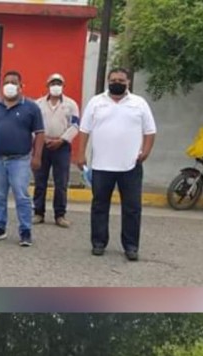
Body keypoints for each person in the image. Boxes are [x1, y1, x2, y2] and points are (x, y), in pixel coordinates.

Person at [75, 67, 156, 261]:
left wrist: (145, 152)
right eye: (113, 80)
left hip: (131, 165)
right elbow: (84, 130)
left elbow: (150, 131)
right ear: (108, 82)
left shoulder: (139, 103)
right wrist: (81, 154)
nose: (117, 83)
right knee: (99, 206)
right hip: (102, 165)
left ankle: (131, 246)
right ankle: (99, 242)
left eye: (121, 80)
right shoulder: (96, 102)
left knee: (132, 208)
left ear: (128, 82)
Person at [0, 71, 44, 247]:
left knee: (22, 196)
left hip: (20, 159)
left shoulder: (31, 107)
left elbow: (39, 133)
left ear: (21, 86)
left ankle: (25, 231)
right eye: (7, 82)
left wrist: (37, 157)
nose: (10, 85)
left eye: (14, 82)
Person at [34, 73, 80, 227]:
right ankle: (38, 213)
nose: (55, 86)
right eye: (53, 83)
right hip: (43, 144)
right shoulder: (38, 104)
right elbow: (32, 125)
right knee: (40, 180)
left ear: (63, 86)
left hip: (62, 146)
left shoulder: (71, 104)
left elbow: (75, 125)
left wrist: (61, 140)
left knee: (61, 182)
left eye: (59, 83)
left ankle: (60, 215)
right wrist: (42, 139)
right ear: (47, 86)